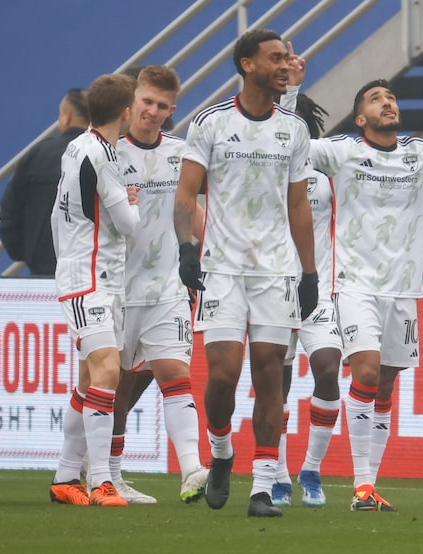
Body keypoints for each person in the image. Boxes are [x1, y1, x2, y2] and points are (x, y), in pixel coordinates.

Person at [283, 47, 423, 511]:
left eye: (391, 97)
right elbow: (288, 143)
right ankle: (360, 487)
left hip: (404, 291)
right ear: (359, 118)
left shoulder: (421, 154)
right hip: (354, 285)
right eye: (376, 98)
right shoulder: (342, 152)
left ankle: (368, 484)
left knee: (384, 386)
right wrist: (292, 90)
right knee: (362, 370)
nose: (388, 102)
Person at [173, 29, 318, 517]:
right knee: (222, 376)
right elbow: (186, 195)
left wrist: (310, 271)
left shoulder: (294, 129)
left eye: (287, 58)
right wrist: (187, 248)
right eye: (275, 58)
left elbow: (299, 204)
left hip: (277, 270)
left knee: (270, 374)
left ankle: (260, 486)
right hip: (221, 269)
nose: (285, 64)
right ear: (246, 64)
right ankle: (220, 453)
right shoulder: (211, 123)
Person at [107, 65, 208, 504]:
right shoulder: (104, 153)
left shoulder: (183, 153)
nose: (152, 112)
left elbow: (193, 209)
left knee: (175, 374)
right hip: (112, 289)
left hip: (166, 286)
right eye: (146, 102)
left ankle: (191, 470)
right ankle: (104, 474)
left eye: (161, 106)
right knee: (112, 388)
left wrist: (196, 252)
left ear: (172, 111)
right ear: (131, 101)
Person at [48, 73, 139, 507]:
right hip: (89, 279)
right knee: (108, 371)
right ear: (124, 113)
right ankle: (101, 480)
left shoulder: (78, 145)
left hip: (93, 274)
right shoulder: (101, 155)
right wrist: (133, 203)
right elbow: (127, 225)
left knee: (89, 381)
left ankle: (66, 478)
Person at [270, 90, 342, 508]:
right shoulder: (264, 172)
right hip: (274, 292)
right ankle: (277, 474)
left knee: (328, 370)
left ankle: (311, 469)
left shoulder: (328, 173)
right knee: (275, 384)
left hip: (320, 290)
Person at [0, 88, 89, 276]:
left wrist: (27, 253)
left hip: (44, 271)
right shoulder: (108, 155)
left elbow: (9, 212)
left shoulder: (37, 155)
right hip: (93, 273)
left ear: (66, 117)